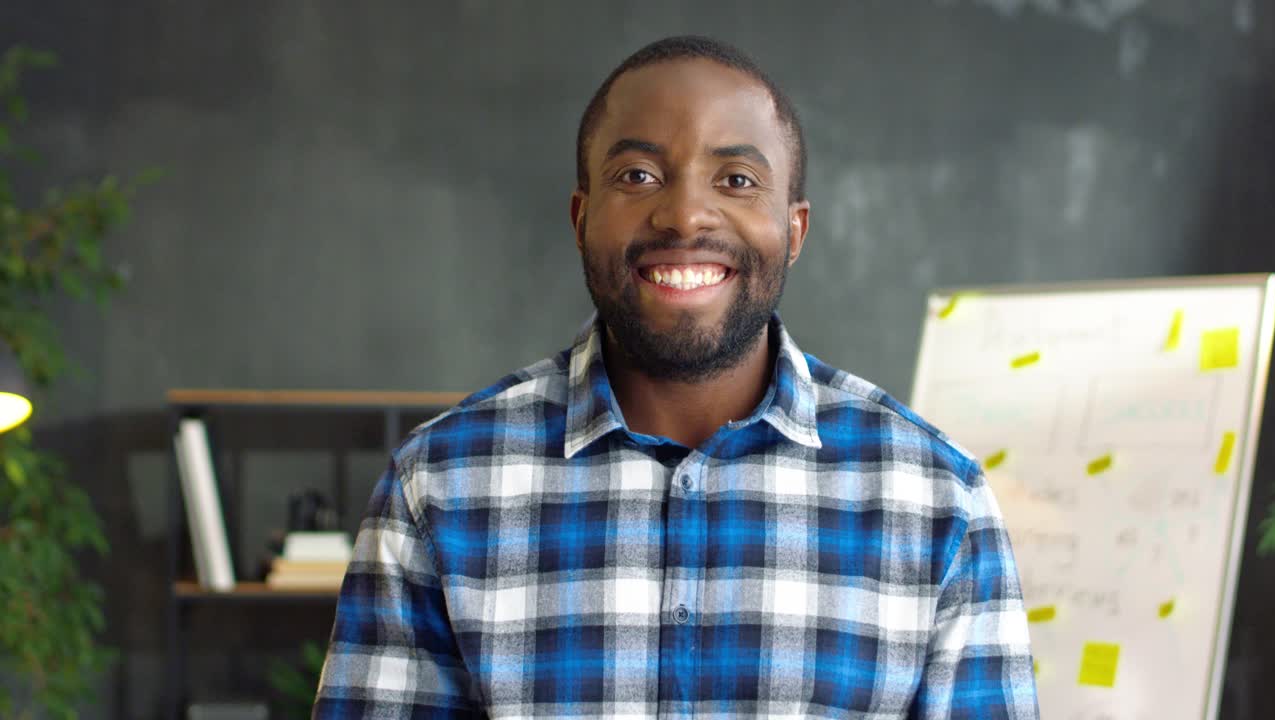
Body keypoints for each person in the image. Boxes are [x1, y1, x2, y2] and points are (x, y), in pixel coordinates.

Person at [314, 35, 1039, 719]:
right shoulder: (439, 484)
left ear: (795, 229)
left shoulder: (939, 500)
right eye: (638, 175)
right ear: (580, 216)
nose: (686, 213)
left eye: (737, 179)